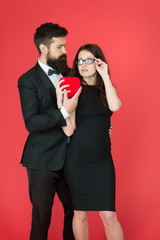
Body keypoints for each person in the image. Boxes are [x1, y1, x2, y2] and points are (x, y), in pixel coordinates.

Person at [18, 22, 82, 240]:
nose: (65, 51)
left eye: (65, 45)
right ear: (43, 48)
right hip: (42, 160)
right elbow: (32, 123)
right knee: (42, 217)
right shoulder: (27, 80)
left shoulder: (71, 74)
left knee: (75, 211)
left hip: (70, 158)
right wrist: (64, 112)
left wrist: (102, 125)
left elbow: (85, 107)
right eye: (59, 47)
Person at [56, 44, 124, 240]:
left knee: (109, 215)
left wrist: (105, 76)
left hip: (102, 161)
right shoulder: (75, 89)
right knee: (80, 214)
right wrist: (61, 103)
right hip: (77, 161)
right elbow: (69, 129)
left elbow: (114, 106)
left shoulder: (106, 88)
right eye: (79, 61)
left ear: (98, 62)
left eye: (88, 60)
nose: (83, 64)